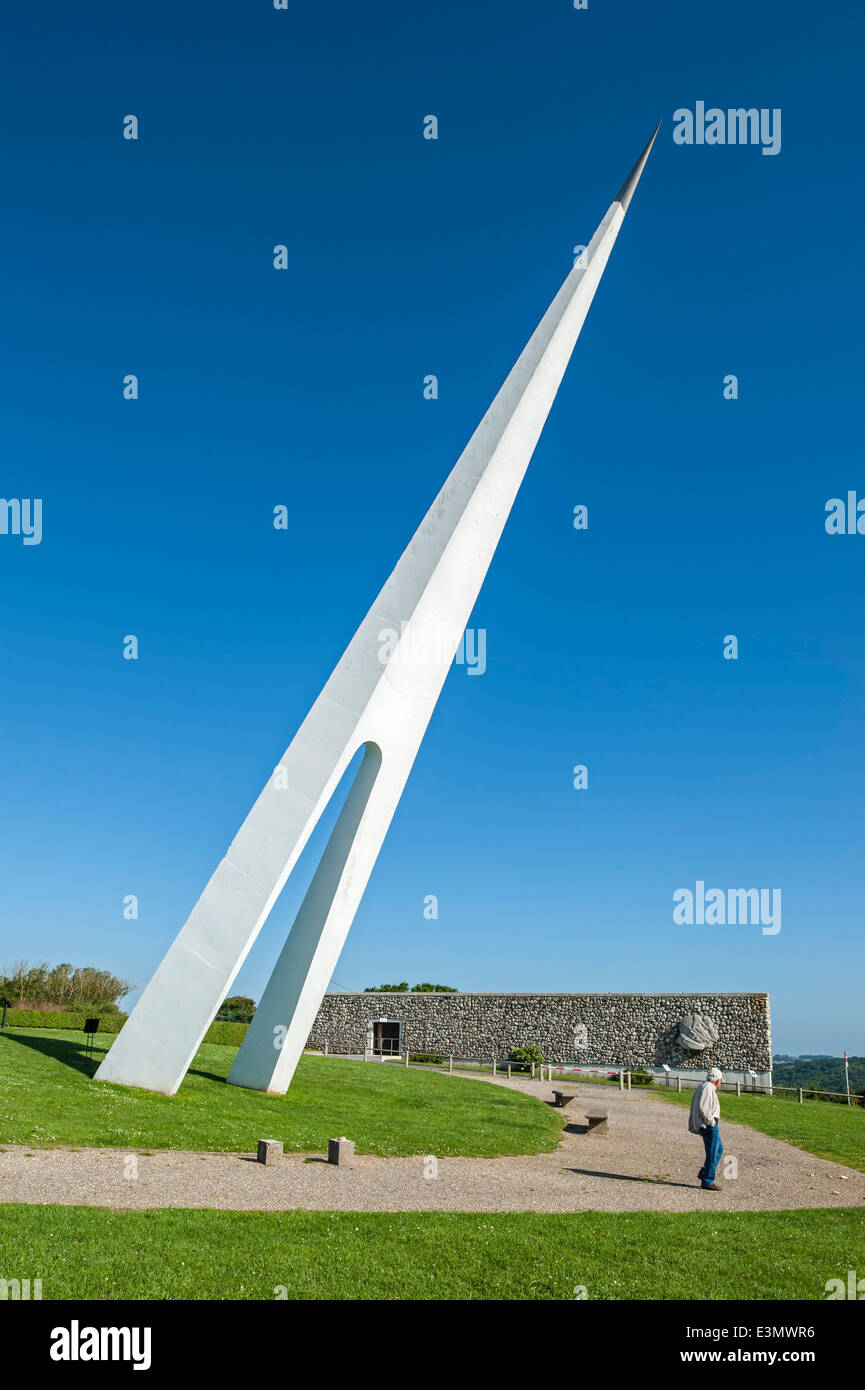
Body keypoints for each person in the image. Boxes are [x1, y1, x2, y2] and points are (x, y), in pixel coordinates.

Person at [688, 1067, 724, 1190]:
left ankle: (705, 1172)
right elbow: (705, 1108)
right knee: (713, 1151)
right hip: (708, 1125)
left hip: (707, 1124)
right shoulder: (708, 1088)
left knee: (718, 1148)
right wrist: (711, 1122)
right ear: (717, 1080)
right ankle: (707, 1179)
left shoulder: (704, 1087)